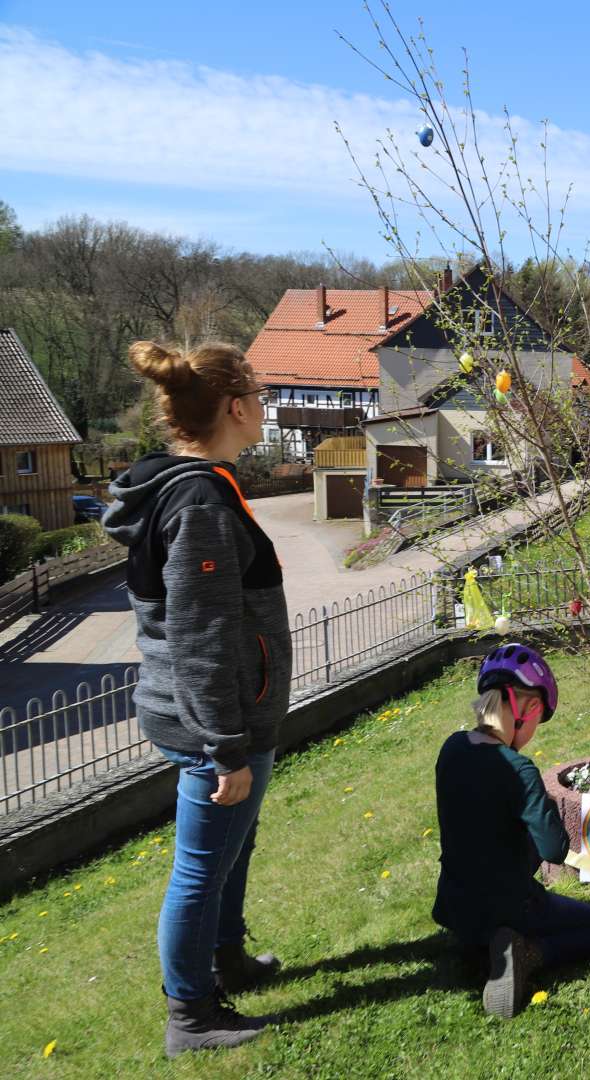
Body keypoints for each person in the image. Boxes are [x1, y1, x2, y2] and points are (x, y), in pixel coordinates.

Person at [103, 341, 288, 1056]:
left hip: (225, 717)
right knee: (201, 865)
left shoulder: (185, 483)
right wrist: (225, 749)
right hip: (215, 725)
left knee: (232, 847)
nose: (264, 410)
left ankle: (226, 958)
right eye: (261, 398)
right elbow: (202, 637)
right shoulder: (201, 502)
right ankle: (191, 1014)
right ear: (236, 408)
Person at [432, 643, 590, 1019]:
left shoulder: (451, 750)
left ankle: (481, 947)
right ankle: (528, 953)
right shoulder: (520, 770)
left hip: (455, 905)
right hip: (509, 905)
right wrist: (545, 806)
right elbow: (553, 849)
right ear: (527, 709)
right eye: (537, 720)